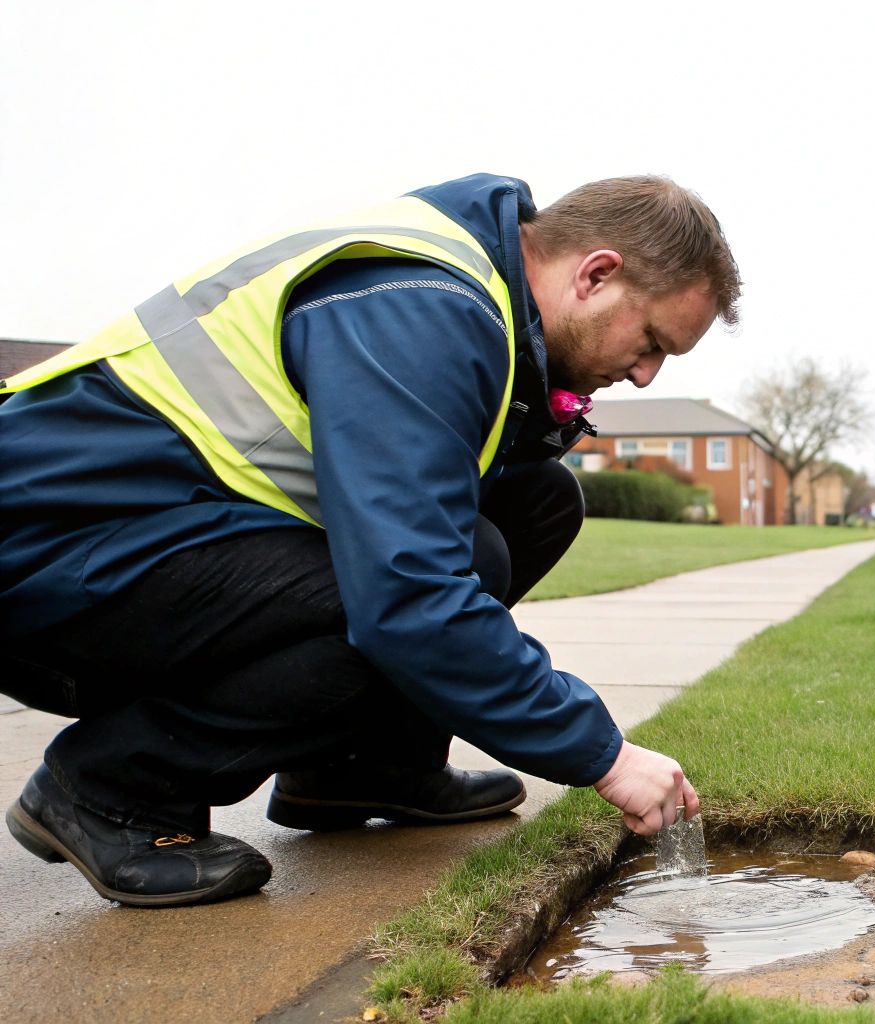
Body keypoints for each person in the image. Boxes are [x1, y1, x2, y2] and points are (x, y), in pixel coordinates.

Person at [0, 173, 738, 907]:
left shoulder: (472, 291)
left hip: (153, 529)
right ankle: (109, 790)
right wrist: (605, 756)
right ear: (596, 274)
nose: (646, 376)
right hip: (49, 558)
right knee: (405, 595)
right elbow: (409, 595)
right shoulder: (420, 309)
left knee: (535, 502)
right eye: (651, 341)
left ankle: (360, 770)